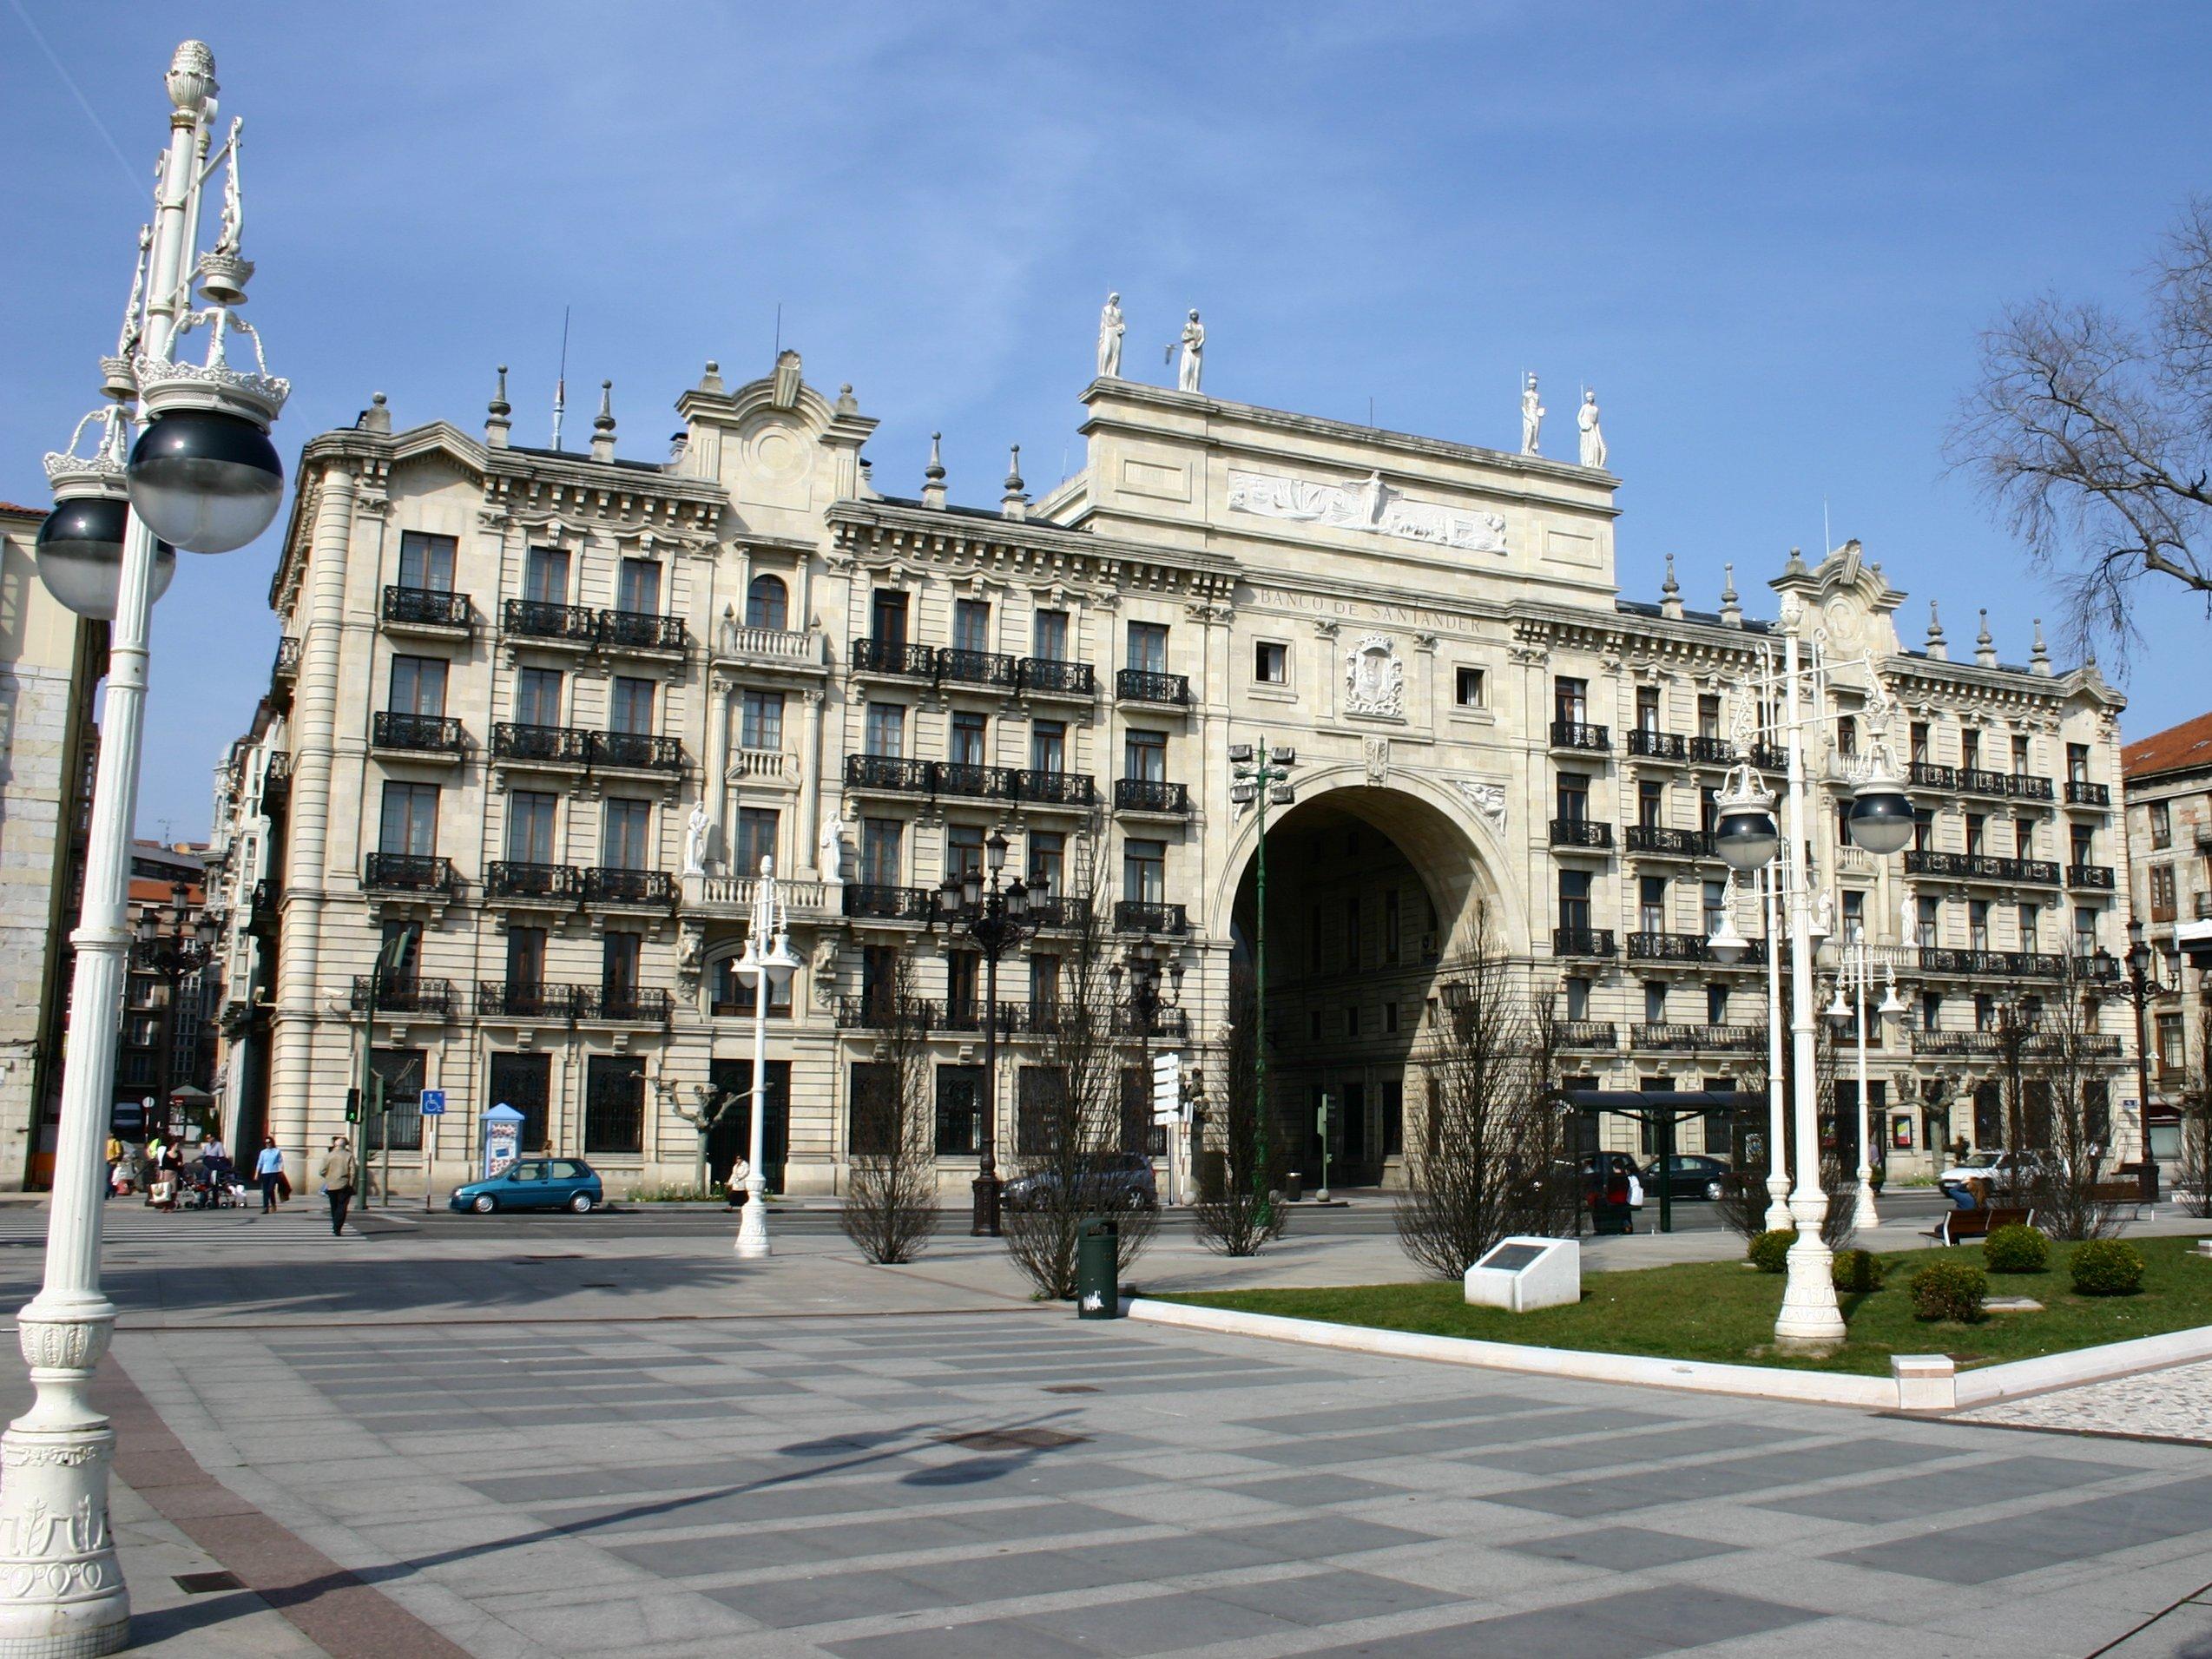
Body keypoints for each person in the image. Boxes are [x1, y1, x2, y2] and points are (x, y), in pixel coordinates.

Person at [318, 1136, 359, 1237]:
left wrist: (328, 1177)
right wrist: (351, 1183)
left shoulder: (328, 1156)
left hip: (331, 1184)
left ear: (335, 1145)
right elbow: (353, 1171)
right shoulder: (349, 1155)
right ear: (345, 1145)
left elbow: (321, 1171)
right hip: (344, 1184)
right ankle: (337, 1227)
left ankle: (335, 1225)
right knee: (342, 1207)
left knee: (334, 1206)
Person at [253, 1136, 285, 1213]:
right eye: (266, 1143)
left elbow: (280, 1162)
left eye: (269, 1142)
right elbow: (260, 1163)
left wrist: (281, 1171)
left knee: (270, 1189)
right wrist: (256, 1173)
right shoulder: (263, 1152)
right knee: (265, 1191)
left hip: (274, 1172)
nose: (268, 1144)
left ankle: (273, 1204)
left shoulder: (277, 1151)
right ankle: (265, 1207)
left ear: (272, 1143)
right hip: (265, 1172)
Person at [103, 1135, 122, 1201]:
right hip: (104, 1162)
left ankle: (106, 1193)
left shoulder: (115, 1142)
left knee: (107, 1177)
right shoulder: (105, 1142)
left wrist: (110, 1159)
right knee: (105, 1178)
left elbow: (118, 1153)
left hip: (111, 1162)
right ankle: (113, 1189)